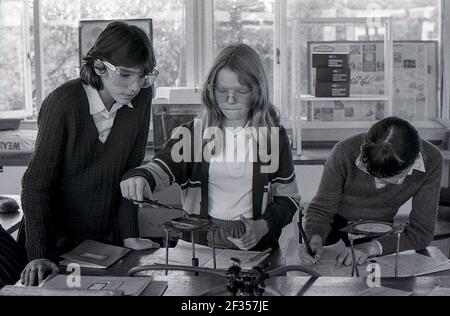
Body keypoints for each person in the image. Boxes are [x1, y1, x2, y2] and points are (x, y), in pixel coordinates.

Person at [120, 43, 300, 251]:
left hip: (258, 246)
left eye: (241, 90)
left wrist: (262, 226)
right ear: (211, 90)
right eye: (222, 91)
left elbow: (289, 198)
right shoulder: (194, 134)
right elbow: (162, 166)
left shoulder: (273, 137)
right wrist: (141, 177)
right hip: (200, 243)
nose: (230, 99)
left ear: (257, 90)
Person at [20, 21, 159, 286]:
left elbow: (130, 171)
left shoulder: (142, 97)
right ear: (99, 67)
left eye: (143, 76)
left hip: (106, 243)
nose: (134, 86)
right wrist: (38, 255)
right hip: (54, 245)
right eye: (126, 75)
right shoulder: (63, 102)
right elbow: (35, 184)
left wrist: (129, 234)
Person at [300, 117, 443, 266]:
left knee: (377, 282)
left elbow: (421, 232)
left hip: (380, 227)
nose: (379, 186)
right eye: (371, 174)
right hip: (333, 223)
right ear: (363, 153)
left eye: (390, 180)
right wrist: (314, 238)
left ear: (413, 163)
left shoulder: (432, 160)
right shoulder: (344, 151)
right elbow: (321, 208)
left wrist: (373, 247)